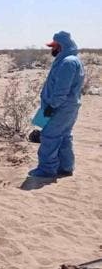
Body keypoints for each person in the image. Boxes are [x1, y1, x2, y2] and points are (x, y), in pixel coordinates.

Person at [29, 31, 85, 179]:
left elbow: (61, 90)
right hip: (64, 106)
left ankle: (46, 170)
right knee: (64, 136)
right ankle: (65, 167)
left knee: (49, 136)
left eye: (53, 46)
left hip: (59, 107)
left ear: (60, 46)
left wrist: (51, 107)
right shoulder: (69, 60)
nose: (51, 49)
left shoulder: (68, 62)